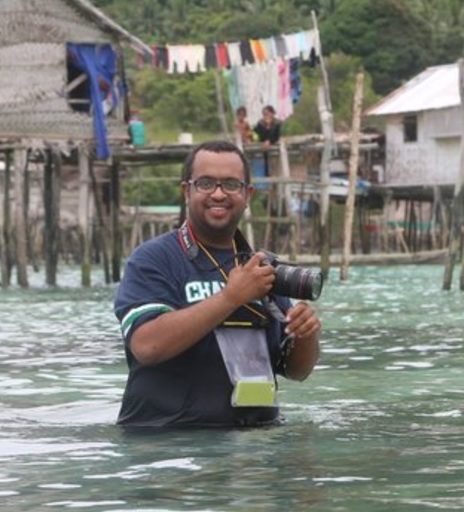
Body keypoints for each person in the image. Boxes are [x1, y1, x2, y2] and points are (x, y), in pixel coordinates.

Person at [113, 139, 322, 429]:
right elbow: (147, 345)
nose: (219, 194)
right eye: (206, 183)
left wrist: (306, 336)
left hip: (255, 449)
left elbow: (295, 370)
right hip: (169, 447)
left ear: (248, 194)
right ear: (187, 190)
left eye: (231, 185)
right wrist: (230, 298)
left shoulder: (261, 267)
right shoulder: (153, 259)